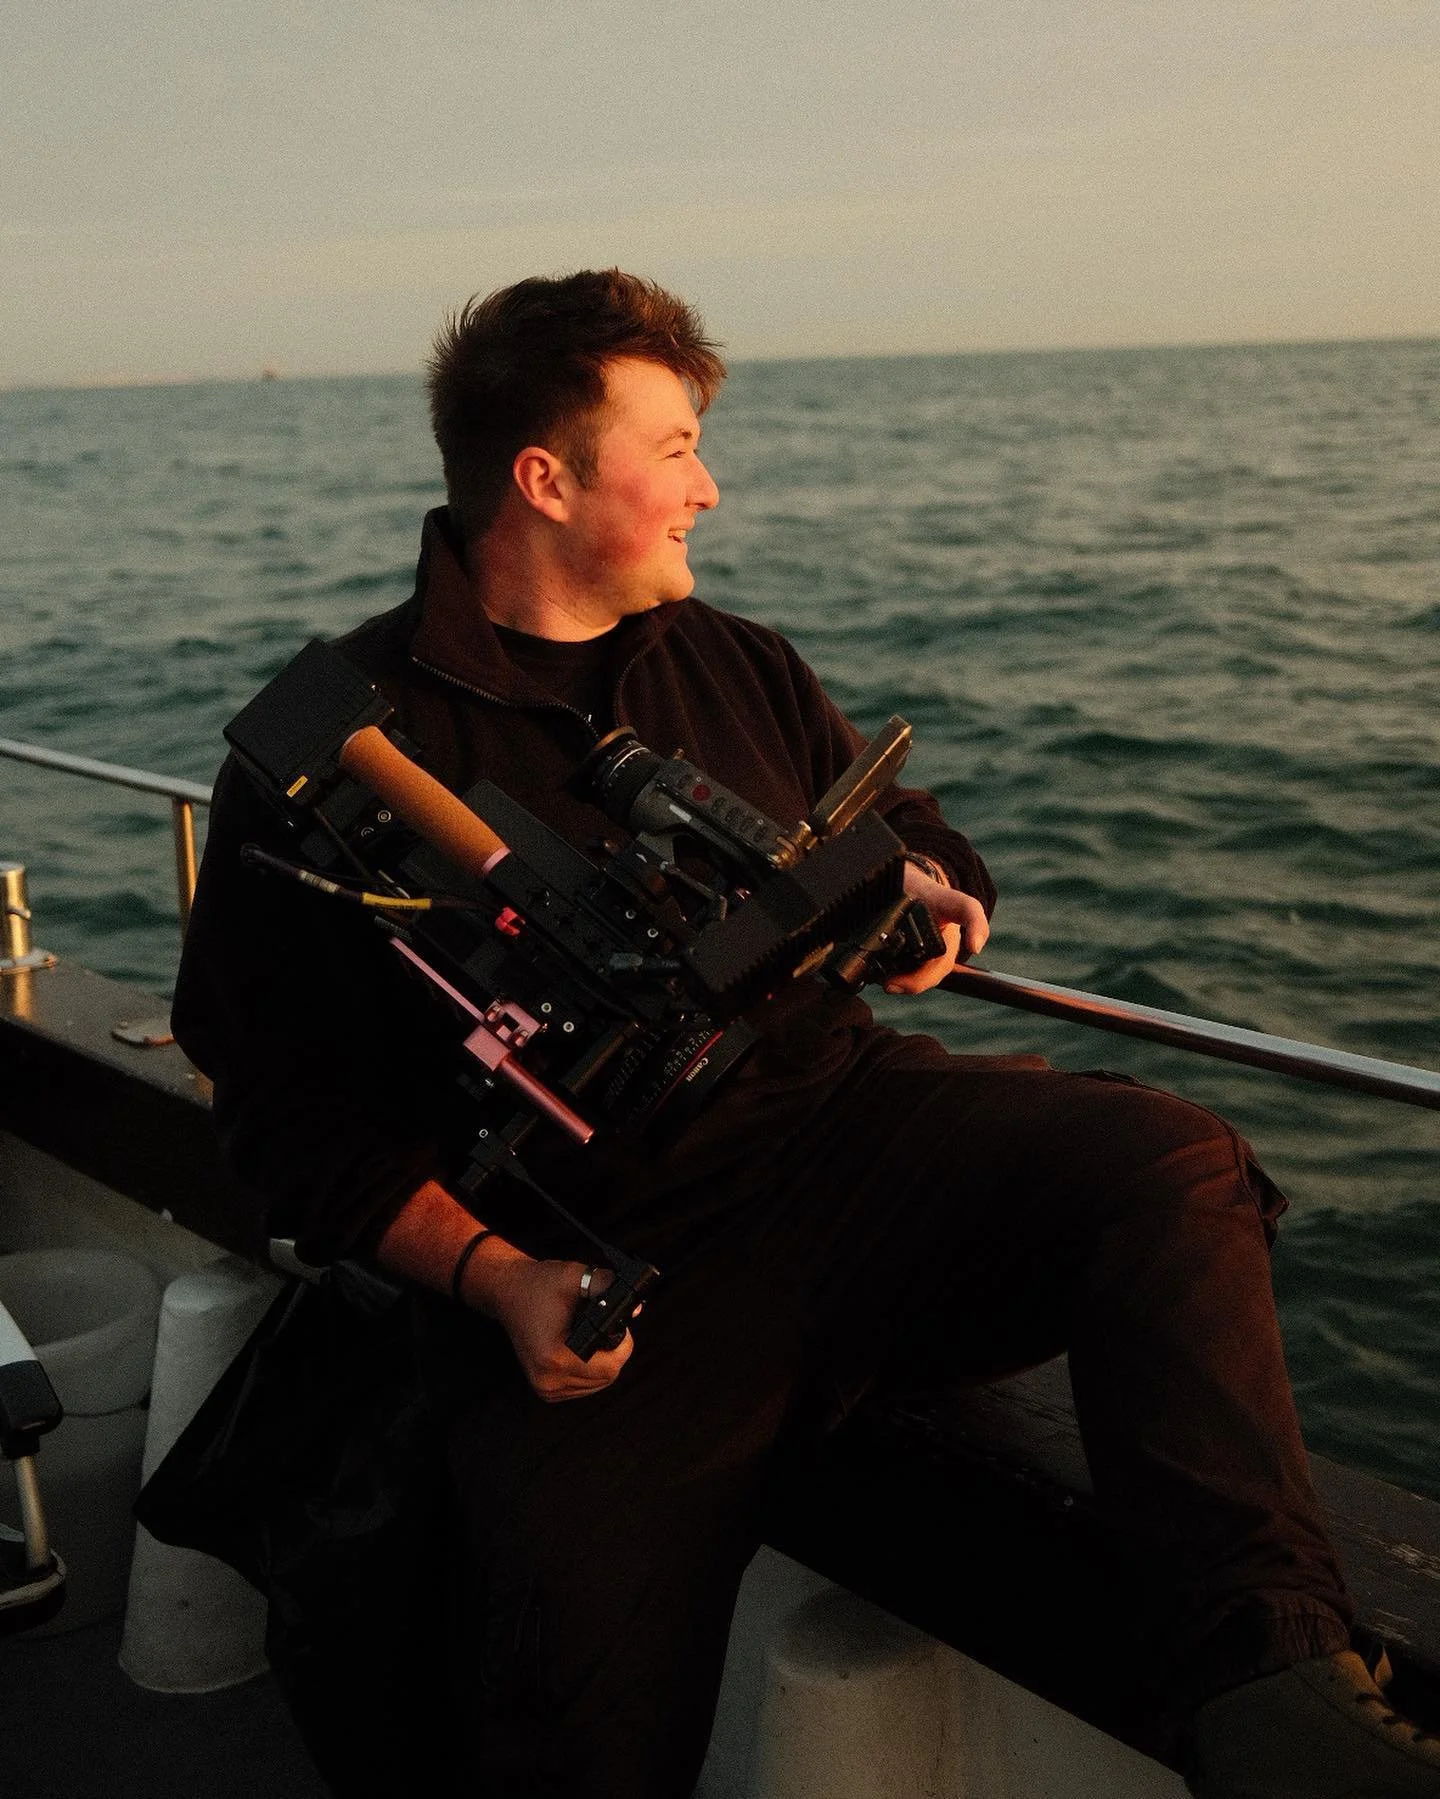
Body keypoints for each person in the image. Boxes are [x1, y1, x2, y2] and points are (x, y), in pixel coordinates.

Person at [171, 270, 1440, 1799]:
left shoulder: (734, 659)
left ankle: (1275, 1697)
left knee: (1169, 1160)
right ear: (546, 476)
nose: (712, 483)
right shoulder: (340, 750)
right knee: (556, 1705)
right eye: (680, 444)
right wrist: (498, 1277)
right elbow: (280, 1109)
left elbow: (897, 824)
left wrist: (932, 890)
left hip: (849, 1136)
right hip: (602, 1267)